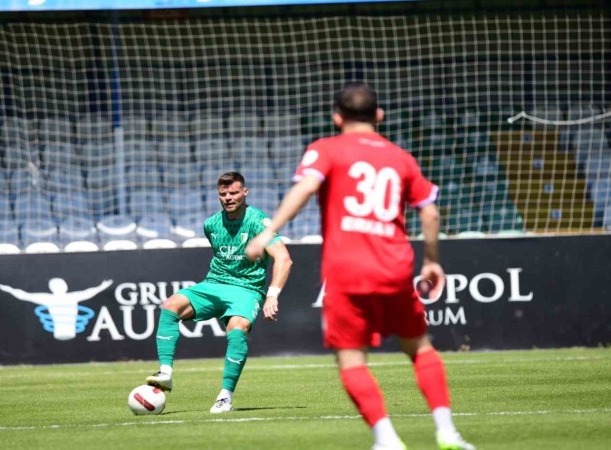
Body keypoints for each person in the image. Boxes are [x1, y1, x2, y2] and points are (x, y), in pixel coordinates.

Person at [246, 83, 474, 450]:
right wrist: (431, 261)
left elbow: (305, 189)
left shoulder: (326, 149)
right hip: (395, 269)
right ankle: (447, 432)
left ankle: (386, 440)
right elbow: (430, 212)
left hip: (347, 271)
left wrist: (267, 232)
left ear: (337, 117)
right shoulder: (400, 157)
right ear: (379, 115)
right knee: (420, 349)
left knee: (351, 358)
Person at [146, 171, 293, 413]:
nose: (228, 197)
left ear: (245, 192)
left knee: (237, 328)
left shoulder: (259, 222)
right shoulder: (211, 224)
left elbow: (284, 260)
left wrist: (272, 295)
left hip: (246, 289)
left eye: (233, 192)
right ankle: (165, 372)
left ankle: (225, 396)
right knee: (170, 305)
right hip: (213, 284)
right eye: (223, 194)